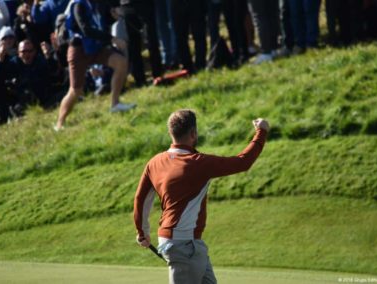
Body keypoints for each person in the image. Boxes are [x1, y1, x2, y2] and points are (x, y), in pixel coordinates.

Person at [133, 109, 269, 284]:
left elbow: (141, 199)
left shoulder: (155, 162)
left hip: (185, 243)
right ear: (193, 133)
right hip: (184, 245)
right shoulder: (199, 162)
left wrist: (142, 232)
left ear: (171, 133)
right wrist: (262, 131)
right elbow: (243, 161)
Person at [55, 0, 135, 131]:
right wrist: (112, 39)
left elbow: (99, 24)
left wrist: (112, 18)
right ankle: (59, 123)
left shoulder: (96, 3)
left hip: (95, 46)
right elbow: (85, 29)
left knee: (120, 62)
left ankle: (115, 104)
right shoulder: (78, 4)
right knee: (76, 90)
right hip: (79, 49)